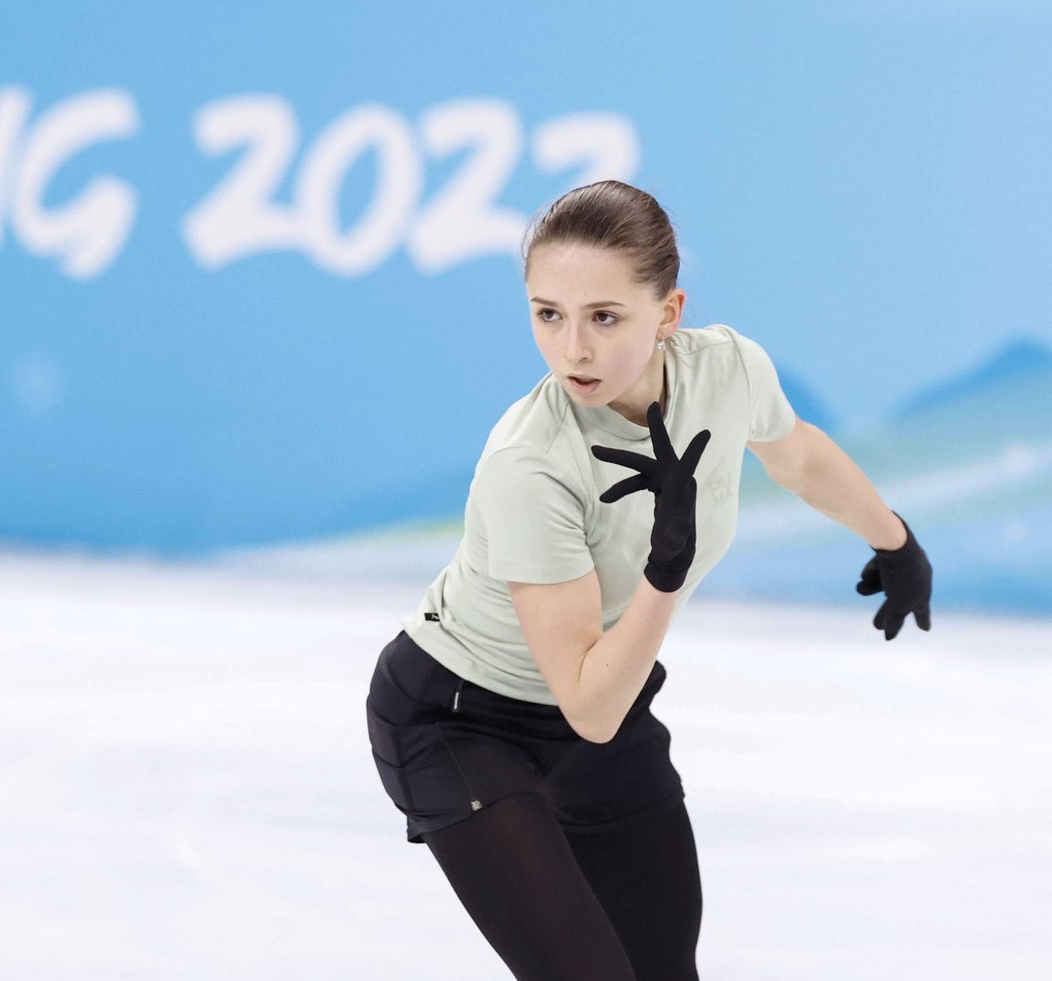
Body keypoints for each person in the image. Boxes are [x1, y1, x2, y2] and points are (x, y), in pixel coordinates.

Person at [364, 179, 934, 980]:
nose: (573, 349)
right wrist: (665, 572)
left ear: (668, 313)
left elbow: (798, 454)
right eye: (548, 314)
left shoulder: (726, 370)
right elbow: (588, 705)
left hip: (606, 699)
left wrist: (895, 541)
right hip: (462, 720)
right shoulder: (531, 463)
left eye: (604, 317)